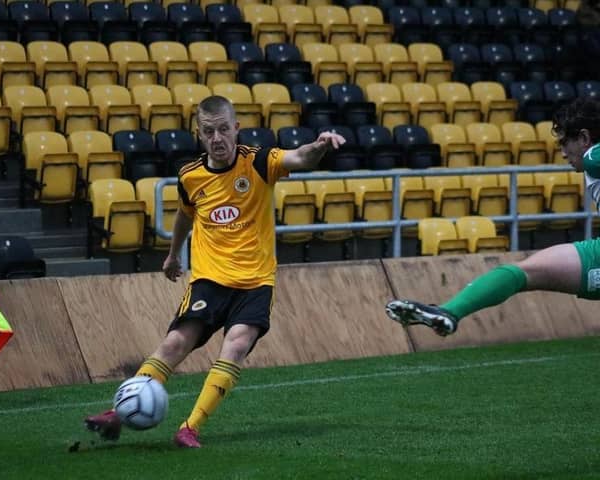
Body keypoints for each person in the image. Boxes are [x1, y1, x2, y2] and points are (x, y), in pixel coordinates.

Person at [85, 95, 346, 448]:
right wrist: (172, 255)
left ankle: (189, 427)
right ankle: (118, 413)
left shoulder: (257, 162)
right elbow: (185, 213)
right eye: (210, 131)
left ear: (236, 128)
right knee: (176, 341)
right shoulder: (191, 176)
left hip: (255, 281)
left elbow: (299, 157)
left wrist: (319, 145)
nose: (218, 138)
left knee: (235, 345)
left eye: (224, 129)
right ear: (200, 134)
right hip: (209, 279)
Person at [386, 96, 600, 336]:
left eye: (564, 143)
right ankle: (448, 312)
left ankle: (451, 311)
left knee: (523, 273)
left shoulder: (592, 156)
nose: (562, 153)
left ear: (583, 138)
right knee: (522, 272)